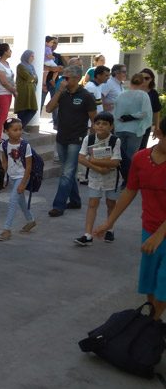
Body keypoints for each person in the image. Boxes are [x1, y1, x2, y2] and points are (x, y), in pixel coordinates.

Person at [93, 116, 166, 320]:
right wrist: (109, 222)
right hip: (149, 226)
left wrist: (159, 235)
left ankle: (153, 324)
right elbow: (130, 191)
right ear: (159, 134)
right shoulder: (141, 158)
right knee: (149, 281)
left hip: (160, 233)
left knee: (164, 282)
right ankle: (153, 323)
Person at [46, 65, 97, 217]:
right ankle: (75, 200)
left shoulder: (86, 96)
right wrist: (59, 90)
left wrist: (92, 141)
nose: (63, 79)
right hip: (62, 136)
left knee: (67, 172)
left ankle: (58, 205)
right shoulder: (62, 93)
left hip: (77, 138)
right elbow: (48, 109)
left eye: (66, 77)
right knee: (67, 171)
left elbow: (94, 119)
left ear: (76, 78)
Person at [74, 112, 121, 246]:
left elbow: (115, 162)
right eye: (98, 123)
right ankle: (88, 234)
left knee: (111, 204)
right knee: (92, 204)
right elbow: (81, 158)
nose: (101, 126)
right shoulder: (88, 139)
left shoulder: (115, 140)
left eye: (105, 124)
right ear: (93, 125)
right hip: (95, 177)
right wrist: (99, 167)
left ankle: (110, 229)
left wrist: (93, 160)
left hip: (112, 178)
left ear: (111, 127)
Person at [0, 118, 36, 242]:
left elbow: (29, 166)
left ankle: (6, 229)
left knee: (13, 200)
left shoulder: (25, 145)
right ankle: (30, 220)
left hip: (23, 176)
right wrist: (3, 178)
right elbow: (4, 163)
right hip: (12, 176)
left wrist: (24, 183)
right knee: (21, 201)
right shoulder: (4, 145)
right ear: (6, 131)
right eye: (15, 130)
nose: (18, 132)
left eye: (20, 129)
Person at [114, 73, 153, 186]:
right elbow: (145, 113)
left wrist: (123, 118)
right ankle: (128, 180)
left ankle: (123, 178)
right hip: (135, 129)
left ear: (130, 82)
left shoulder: (121, 94)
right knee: (131, 155)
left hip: (120, 128)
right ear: (142, 83)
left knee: (121, 155)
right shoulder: (143, 95)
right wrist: (131, 116)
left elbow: (116, 112)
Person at [0, 44, 18, 144]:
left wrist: (13, 89)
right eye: (9, 50)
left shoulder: (6, 63)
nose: (10, 51)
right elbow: (3, 82)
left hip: (8, 92)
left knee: (4, 115)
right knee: (2, 116)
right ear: (5, 52)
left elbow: (10, 80)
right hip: (2, 93)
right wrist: (14, 90)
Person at [139, 68, 162, 150]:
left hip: (146, 125)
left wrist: (157, 127)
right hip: (132, 124)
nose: (144, 80)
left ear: (151, 79)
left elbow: (156, 111)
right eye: (142, 78)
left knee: (142, 147)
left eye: (147, 78)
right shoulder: (134, 90)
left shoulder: (153, 93)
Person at [15, 50, 38, 127]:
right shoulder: (20, 66)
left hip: (31, 90)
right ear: (26, 56)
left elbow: (36, 79)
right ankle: (19, 128)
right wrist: (33, 78)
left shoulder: (31, 67)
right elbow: (29, 78)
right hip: (23, 91)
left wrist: (33, 78)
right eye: (31, 56)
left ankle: (20, 127)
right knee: (22, 109)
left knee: (33, 109)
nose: (33, 58)